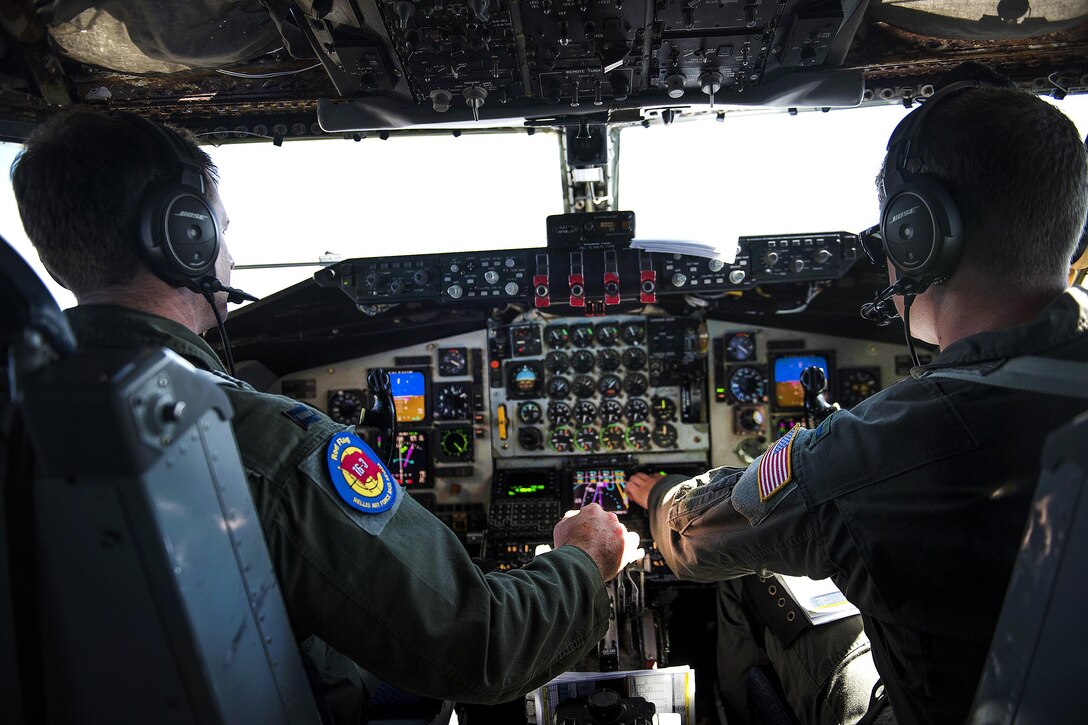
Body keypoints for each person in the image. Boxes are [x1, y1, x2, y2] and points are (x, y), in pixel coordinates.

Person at [10, 110, 642, 721]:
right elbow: (485, 645)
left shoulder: (20, 417)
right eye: (220, 230)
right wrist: (584, 558)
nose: (225, 253)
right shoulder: (264, 445)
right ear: (184, 234)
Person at [627, 73, 1088, 725]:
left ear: (916, 234)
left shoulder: (882, 450)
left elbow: (695, 542)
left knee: (748, 576)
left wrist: (658, 498)